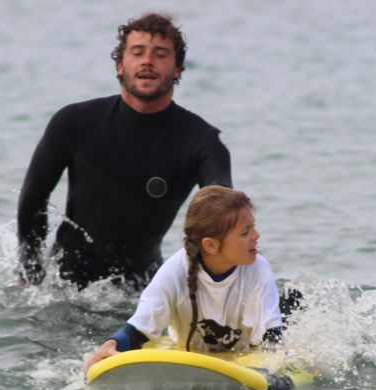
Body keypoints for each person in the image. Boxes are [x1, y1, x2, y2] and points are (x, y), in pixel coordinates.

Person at [17, 12, 232, 290]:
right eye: (137, 52)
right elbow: (33, 198)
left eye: (160, 54)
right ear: (120, 65)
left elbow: (223, 215)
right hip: (64, 286)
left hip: (143, 289)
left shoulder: (202, 141)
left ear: (178, 69)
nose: (147, 61)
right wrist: (31, 274)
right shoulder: (74, 122)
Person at [84, 186, 282, 371]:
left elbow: (270, 341)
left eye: (253, 228)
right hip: (189, 353)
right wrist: (111, 345)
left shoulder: (258, 269)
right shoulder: (175, 271)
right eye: (245, 232)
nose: (256, 235)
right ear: (211, 246)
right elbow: (141, 326)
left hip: (244, 355)